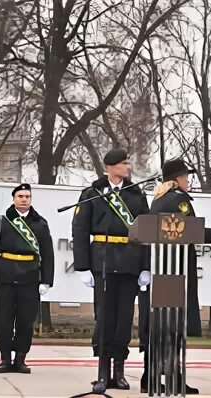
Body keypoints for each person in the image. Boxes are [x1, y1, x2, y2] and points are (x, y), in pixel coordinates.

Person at [138, 158, 211, 394]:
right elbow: (187, 229)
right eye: (186, 177)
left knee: (161, 325)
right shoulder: (179, 199)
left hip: (161, 270)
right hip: (177, 271)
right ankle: (173, 376)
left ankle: (151, 375)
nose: (188, 182)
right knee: (174, 327)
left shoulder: (157, 200)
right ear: (178, 179)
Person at [72, 149, 150, 393]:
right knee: (104, 319)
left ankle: (120, 371)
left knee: (124, 320)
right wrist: (83, 266)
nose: (127, 166)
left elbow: (147, 232)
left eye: (128, 161)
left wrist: (145, 266)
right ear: (110, 166)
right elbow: (80, 231)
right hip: (103, 261)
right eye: (123, 162)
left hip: (129, 262)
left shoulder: (136, 194)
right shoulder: (92, 193)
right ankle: (102, 372)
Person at [0, 183, 54, 374]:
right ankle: (5, 358)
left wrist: (46, 280)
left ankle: (20, 358)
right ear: (13, 199)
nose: (23, 199)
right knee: (4, 320)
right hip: (5, 276)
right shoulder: (2, 221)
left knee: (25, 320)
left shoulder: (40, 223)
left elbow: (48, 253)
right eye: (20, 196)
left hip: (29, 277)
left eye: (27, 196)